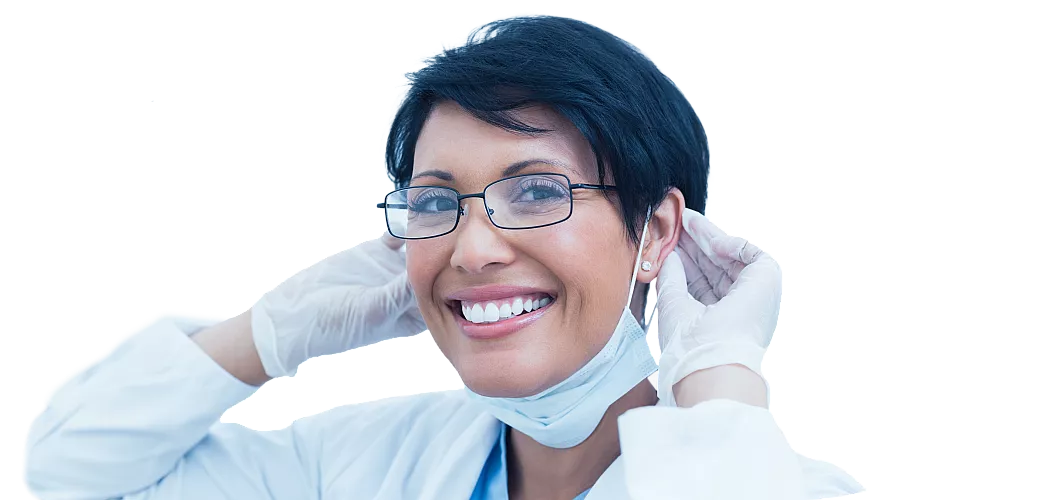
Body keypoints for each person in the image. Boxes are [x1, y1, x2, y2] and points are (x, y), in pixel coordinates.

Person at [22, 14, 863, 500]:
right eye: (434, 202)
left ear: (655, 234)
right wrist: (263, 338)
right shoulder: (362, 468)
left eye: (536, 191)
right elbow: (64, 474)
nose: (470, 248)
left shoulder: (769, 479)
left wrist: (719, 392)